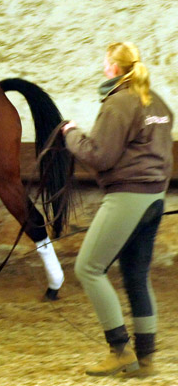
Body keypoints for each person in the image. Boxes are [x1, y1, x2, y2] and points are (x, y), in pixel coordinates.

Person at [62, 42, 174, 377]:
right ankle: (147, 358)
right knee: (137, 276)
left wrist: (71, 134)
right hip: (155, 197)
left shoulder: (118, 104)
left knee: (89, 268)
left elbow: (99, 155)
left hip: (128, 196)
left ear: (113, 67)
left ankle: (120, 351)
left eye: (105, 61)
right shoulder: (158, 102)